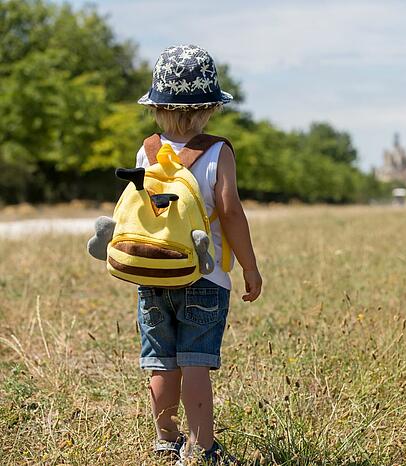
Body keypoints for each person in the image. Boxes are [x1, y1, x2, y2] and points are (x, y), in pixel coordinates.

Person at [134, 44, 262, 464]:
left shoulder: (147, 150)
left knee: (161, 364)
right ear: (209, 108)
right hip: (205, 279)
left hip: (153, 274)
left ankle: (166, 440)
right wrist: (249, 265)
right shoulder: (218, 152)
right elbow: (229, 210)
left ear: (157, 105)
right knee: (194, 364)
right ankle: (202, 447)